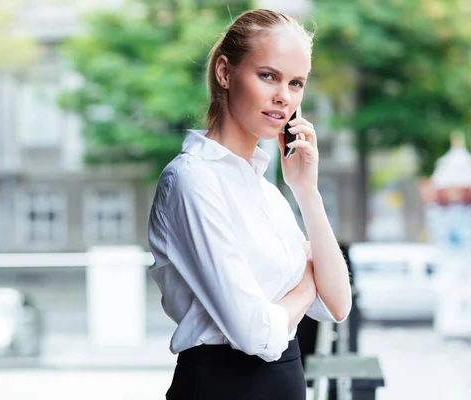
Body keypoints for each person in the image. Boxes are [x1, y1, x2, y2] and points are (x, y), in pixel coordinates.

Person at [148, 8, 352, 400]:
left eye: (296, 83)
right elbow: (254, 333)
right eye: (268, 76)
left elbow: (338, 304)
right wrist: (307, 284)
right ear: (225, 73)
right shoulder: (193, 179)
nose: (284, 97)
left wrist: (306, 190)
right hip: (222, 386)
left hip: (283, 383)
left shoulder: (266, 191)